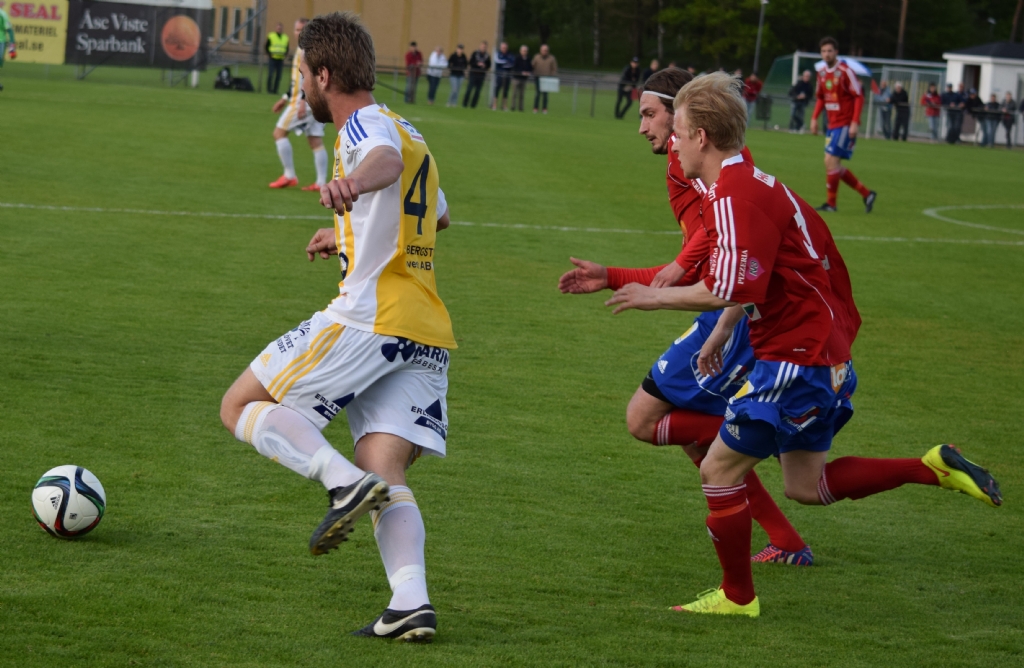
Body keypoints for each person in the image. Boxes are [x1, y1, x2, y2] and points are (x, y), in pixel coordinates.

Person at [605, 71, 1002, 617]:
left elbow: (730, 286)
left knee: (717, 471)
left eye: (677, 130)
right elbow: (766, 275)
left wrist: (654, 297)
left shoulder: (732, 196)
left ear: (700, 136)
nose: (672, 141)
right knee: (806, 486)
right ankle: (931, 466)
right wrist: (722, 330)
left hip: (795, 357)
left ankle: (738, 598)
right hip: (822, 352)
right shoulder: (758, 183)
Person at [221, 11, 457, 642]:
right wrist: (350, 234)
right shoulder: (410, 128)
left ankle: (342, 485)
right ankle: (410, 603)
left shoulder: (366, 126)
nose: (302, 88)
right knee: (385, 465)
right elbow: (438, 215)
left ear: (324, 75)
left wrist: (352, 184)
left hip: (370, 317)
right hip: (425, 328)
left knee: (239, 405)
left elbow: (382, 162)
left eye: (303, 75)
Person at [558, 67, 814, 566]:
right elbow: (707, 250)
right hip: (734, 304)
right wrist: (613, 275)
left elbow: (712, 250)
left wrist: (679, 266)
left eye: (650, 114)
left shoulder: (690, 162)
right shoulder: (707, 162)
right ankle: (783, 537)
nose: (643, 127)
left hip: (737, 313)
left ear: (686, 122)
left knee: (645, 418)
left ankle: (754, 439)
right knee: (673, 425)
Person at [810, 37, 876, 213]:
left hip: (845, 123)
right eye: (824, 51)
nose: (827, 54)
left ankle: (831, 204)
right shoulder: (821, 74)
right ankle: (867, 194)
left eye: (830, 51)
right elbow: (821, 98)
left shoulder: (845, 71)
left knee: (830, 161)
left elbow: (858, 96)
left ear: (836, 52)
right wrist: (814, 118)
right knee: (833, 164)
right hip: (832, 124)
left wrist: (854, 122)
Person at [268, 18, 328, 192]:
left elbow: (310, 78)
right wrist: (284, 98)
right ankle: (321, 183)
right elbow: (297, 80)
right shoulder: (304, 49)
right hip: (311, 100)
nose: (298, 33)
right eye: (296, 29)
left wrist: (302, 101)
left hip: (304, 102)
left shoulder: (308, 51)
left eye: (302, 29)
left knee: (279, 133)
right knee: (315, 140)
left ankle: (289, 175)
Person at [532, 44, 558, 114]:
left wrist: (551, 76)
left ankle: (544, 108)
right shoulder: (536, 57)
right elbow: (533, 66)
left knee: (545, 94)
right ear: (540, 50)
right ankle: (535, 108)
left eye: (546, 50)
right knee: (537, 93)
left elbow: (554, 68)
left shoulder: (551, 58)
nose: (545, 51)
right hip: (538, 77)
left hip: (547, 78)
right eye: (543, 50)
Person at [463, 41, 490, 108]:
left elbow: (489, 64)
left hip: (481, 75)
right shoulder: (475, 53)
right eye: (483, 46)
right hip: (473, 73)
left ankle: (473, 105)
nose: (484, 48)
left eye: (485, 47)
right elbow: (470, 62)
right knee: (469, 89)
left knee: (478, 91)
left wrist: (485, 65)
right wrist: (477, 64)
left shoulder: (487, 56)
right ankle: (465, 103)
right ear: (480, 46)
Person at [265, 23, 289, 95]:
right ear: (276, 28)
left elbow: (287, 48)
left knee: (278, 76)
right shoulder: (271, 36)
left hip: (280, 59)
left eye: (280, 28)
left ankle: (275, 90)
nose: (279, 29)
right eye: (278, 28)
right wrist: (269, 54)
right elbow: (266, 46)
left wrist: (285, 55)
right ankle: (269, 90)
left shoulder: (285, 37)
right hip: (272, 58)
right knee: (270, 74)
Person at [492, 42, 514, 110]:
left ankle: (504, 106)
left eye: (505, 48)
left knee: (505, 91)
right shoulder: (498, 54)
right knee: (497, 90)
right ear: (500, 48)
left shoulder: (510, 55)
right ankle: (494, 105)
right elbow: (497, 61)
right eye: (503, 47)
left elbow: (512, 63)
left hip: (507, 76)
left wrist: (505, 64)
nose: (504, 49)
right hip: (499, 75)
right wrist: (505, 62)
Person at [511, 45, 532, 112]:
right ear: (520, 51)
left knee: (521, 94)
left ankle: (520, 107)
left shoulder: (528, 59)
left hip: (523, 79)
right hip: (516, 78)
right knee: (514, 93)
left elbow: (530, 67)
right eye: (523, 51)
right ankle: (513, 106)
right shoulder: (517, 58)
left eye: (525, 51)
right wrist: (521, 72)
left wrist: (528, 72)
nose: (524, 52)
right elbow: (515, 68)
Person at [0, 5, 14, 92]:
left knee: (0, 61)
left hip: (1, 41)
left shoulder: (3, 14)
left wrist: (12, 47)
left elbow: (10, 30)